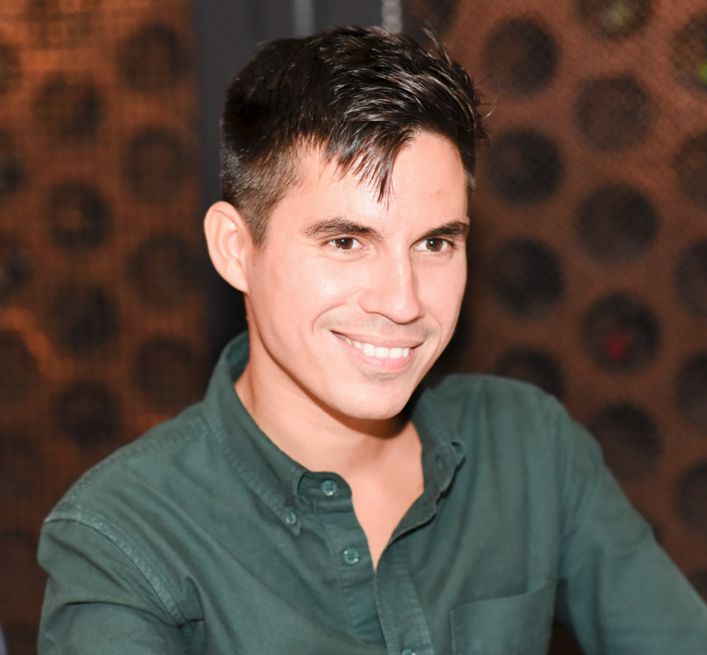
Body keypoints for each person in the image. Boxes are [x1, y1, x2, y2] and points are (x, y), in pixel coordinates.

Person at [38, 26, 707, 654]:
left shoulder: (529, 446)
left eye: (435, 243)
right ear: (236, 249)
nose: (403, 301)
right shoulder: (123, 536)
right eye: (345, 241)